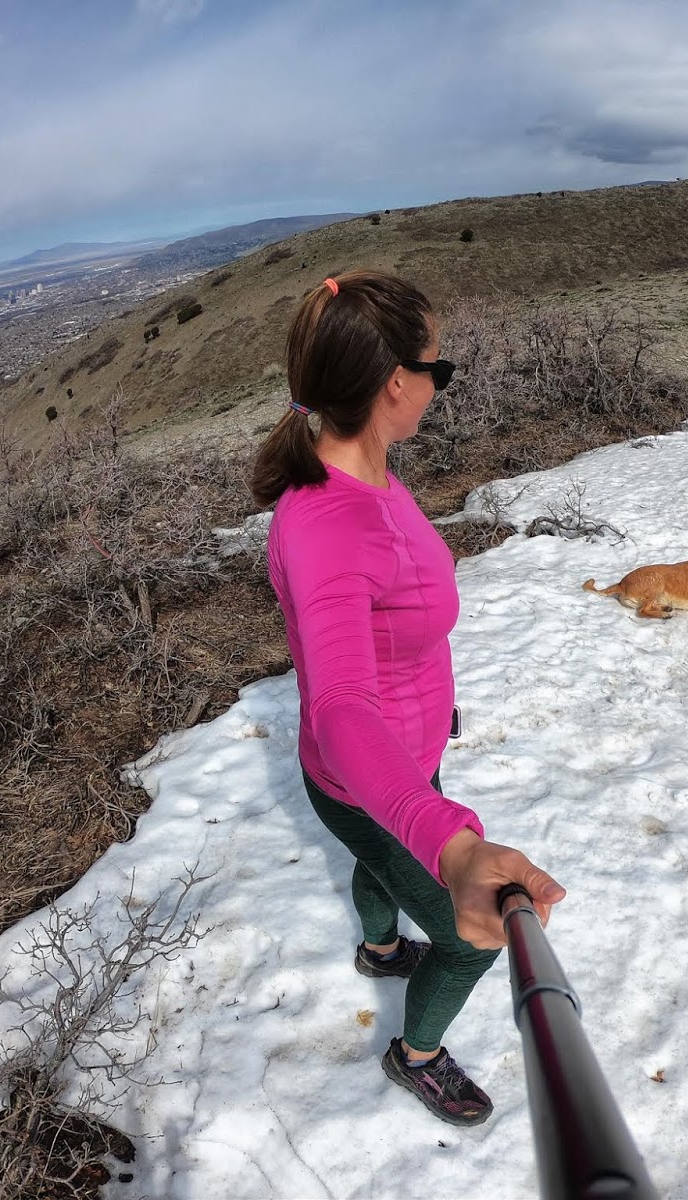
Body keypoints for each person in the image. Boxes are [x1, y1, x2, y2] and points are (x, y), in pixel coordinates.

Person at [248, 270, 566, 1126]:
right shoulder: (327, 525)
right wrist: (449, 849)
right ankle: (414, 1054)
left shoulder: (366, 474)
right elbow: (344, 708)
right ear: (396, 382)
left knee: (378, 867)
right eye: (439, 368)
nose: (438, 384)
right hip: (371, 782)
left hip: (398, 765)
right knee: (468, 942)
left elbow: (384, 641)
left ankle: (382, 946)